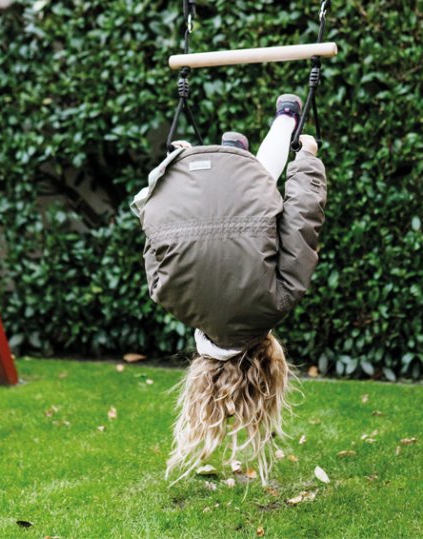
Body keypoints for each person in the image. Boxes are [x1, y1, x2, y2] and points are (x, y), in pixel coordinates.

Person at [131, 94, 327, 484]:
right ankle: (224, 155)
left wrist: (307, 160)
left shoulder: (278, 301)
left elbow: (301, 224)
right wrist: (174, 172)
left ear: (270, 359)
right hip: (183, 194)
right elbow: (153, 242)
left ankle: (283, 121)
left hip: (241, 196)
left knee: (257, 198)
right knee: (236, 205)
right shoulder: (171, 301)